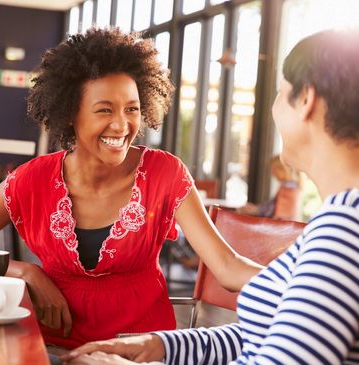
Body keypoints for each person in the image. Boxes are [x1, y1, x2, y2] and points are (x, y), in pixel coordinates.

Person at [62, 28, 359, 365]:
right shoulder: (340, 223)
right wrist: (161, 346)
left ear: (306, 100)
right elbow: (265, 334)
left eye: (279, 92)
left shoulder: (344, 231)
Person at [0, 27, 262, 350]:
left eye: (131, 109)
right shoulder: (32, 180)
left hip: (141, 351)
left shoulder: (166, 174)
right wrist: (23, 272)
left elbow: (228, 266)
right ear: (69, 115)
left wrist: (310, 283)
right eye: (104, 109)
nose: (122, 126)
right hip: (55, 349)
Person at [235, 155, 301, 220]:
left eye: (274, 170)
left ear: (282, 170)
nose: (273, 174)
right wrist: (257, 209)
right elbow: (273, 204)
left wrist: (256, 210)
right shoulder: (291, 186)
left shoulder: (288, 188)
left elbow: (274, 209)